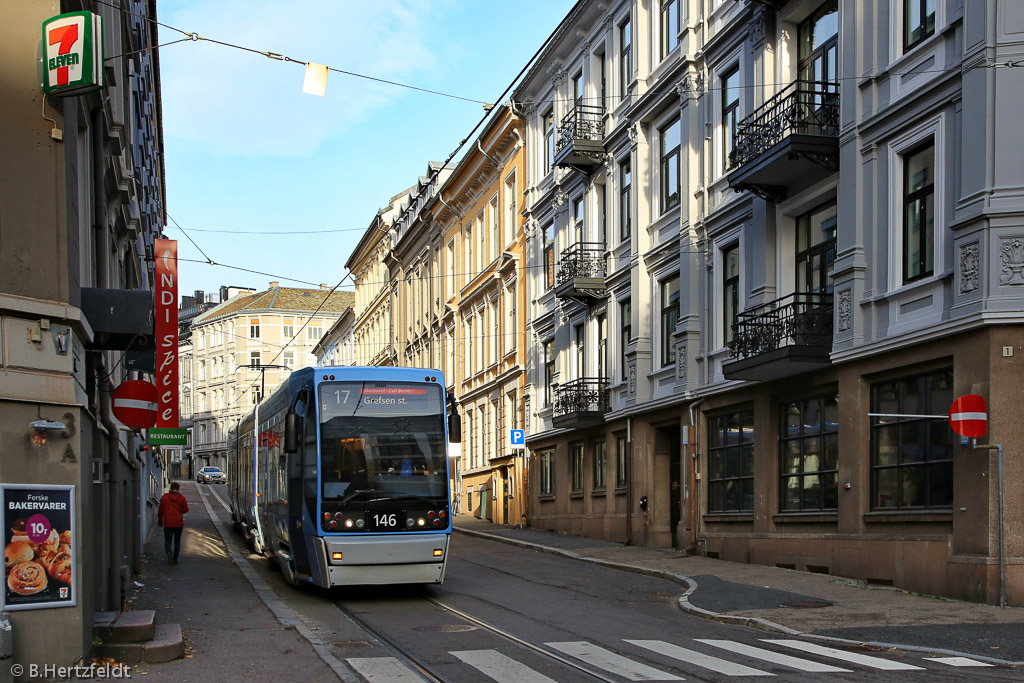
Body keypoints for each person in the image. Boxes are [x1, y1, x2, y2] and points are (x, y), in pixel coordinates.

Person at [157, 482, 189, 565]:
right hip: (178, 523)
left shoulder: (165, 497)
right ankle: (175, 558)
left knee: (168, 541)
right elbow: (186, 509)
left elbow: (161, 511)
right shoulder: (182, 498)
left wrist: (160, 521)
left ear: (171, 488)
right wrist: (179, 511)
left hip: (168, 523)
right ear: (178, 489)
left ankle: (168, 552)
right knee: (177, 541)